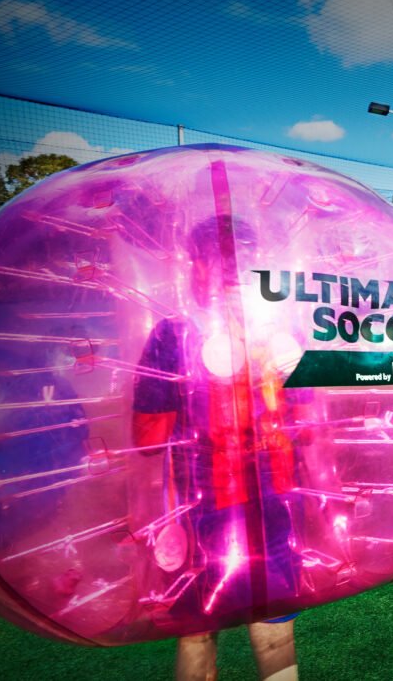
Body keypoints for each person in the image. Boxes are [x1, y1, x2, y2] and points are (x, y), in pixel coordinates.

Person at [132, 218, 300, 681]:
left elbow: (147, 441)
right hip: (259, 503)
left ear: (195, 267)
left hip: (210, 506)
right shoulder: (278, 336)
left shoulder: (176, 334)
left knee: (200, 631)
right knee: (268, 631)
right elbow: (306, 427)